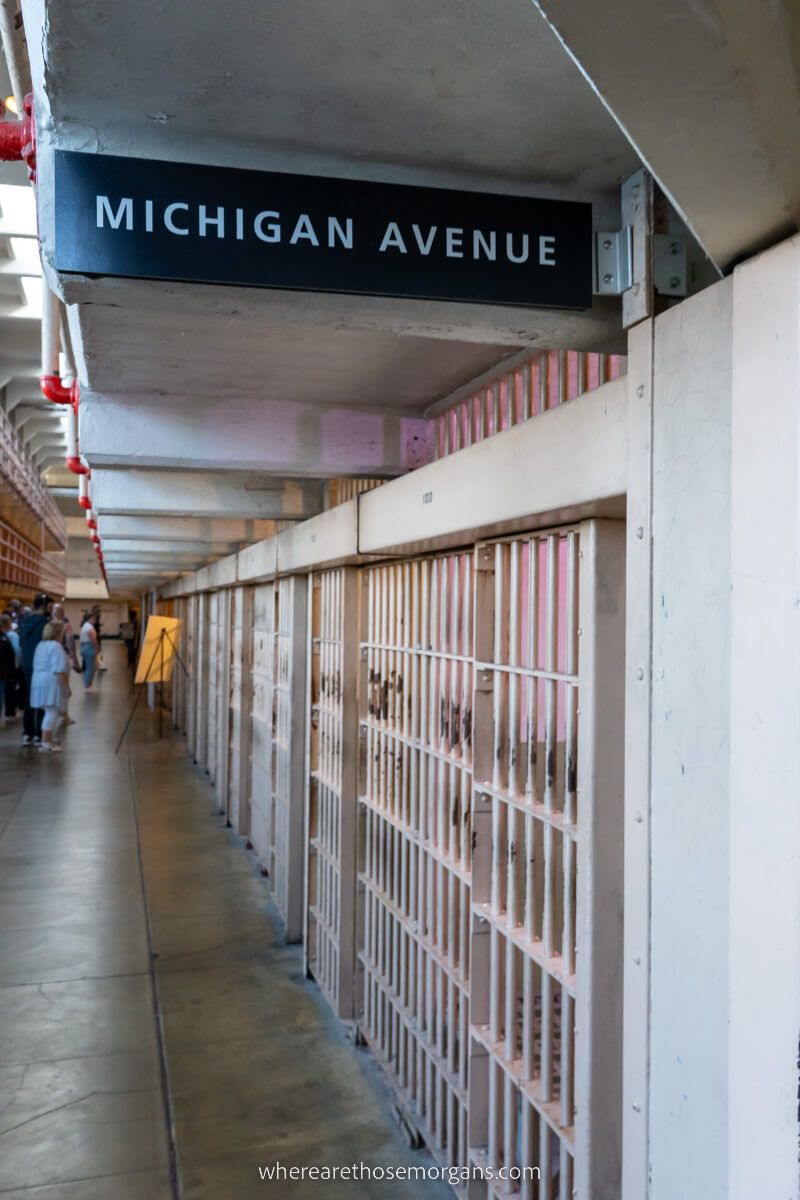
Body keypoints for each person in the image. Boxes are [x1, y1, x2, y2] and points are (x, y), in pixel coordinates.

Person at [30, 621, 70, 753]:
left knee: (49, 711)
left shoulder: (41, 644)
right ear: (58, 632)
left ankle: (48, 739)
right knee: (52, 712)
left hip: (38, 679)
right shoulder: (56, 646)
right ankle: (46, 742)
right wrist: (66, 687)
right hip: (50, 681)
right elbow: (59, 670)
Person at [19, 593, 52, 745]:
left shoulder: (25, 621)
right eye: (50, 607)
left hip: (26, 665)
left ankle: (27, 733)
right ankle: (39, 733)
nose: (51, 610)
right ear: (44, 606)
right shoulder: (44, 623)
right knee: (41, 700)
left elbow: (21, 643)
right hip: (40, 666)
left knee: (28, 700)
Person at [0, 613, 20, 721]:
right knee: (7, 692)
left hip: (4, 669)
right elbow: (16, 652)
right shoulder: (11, 636)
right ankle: (7, 714)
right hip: (7, 670)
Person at [79, 610, 99, 691]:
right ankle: (88, 686)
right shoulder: (89, 627)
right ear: (89, 618)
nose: (95, 620)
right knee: (90, 668)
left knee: (89, 667)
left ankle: (89, 684)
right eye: (94, 618)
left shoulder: (85, 626)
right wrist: (97, 648)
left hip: (84, 647)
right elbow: (93, 639)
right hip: (89, 647)